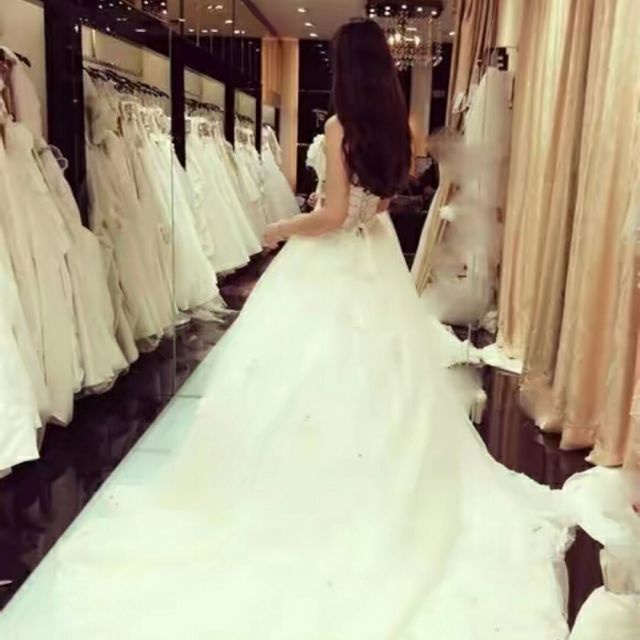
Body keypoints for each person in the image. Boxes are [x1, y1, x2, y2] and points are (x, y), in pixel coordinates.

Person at [0, 20, 571, 640]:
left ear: (346, 69)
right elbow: (377, 205)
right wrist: (339, 216)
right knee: (380, 379)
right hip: (375, 258)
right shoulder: (396, 127)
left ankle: (299, 497)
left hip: (333, 260)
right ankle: (375, 491)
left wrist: (280, 228)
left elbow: (331, 215)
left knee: (302, 375)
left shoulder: (341, 127)